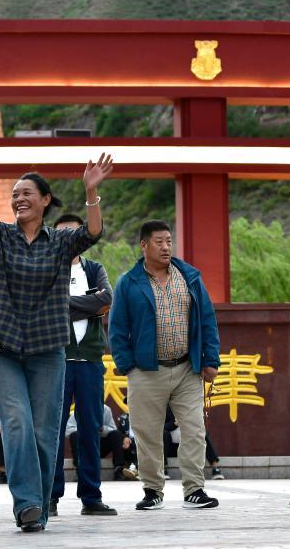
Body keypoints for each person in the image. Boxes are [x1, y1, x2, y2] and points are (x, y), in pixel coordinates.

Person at [0, 139, 112, 532]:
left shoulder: (61, 242)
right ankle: (28, 504)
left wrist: (91, 192)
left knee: (45, 432)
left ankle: (40, 507)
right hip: (2, 346)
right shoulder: (1, 237)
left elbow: (92, 232)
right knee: (16, 422)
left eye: (27, 193)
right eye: (15, 194)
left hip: (48, 349)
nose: (19, 199)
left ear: (45, 200)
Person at [109, 220, 221, 511]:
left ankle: (194, 489)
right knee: (147, 433)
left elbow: (207, 320)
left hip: (186, 368)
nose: (165, 247)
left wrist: (210, 360)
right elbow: (117, 328)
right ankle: (152, 490)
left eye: (169, 241)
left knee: (194, 429)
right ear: (144, 245)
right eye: (159, 242)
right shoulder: (129, 283)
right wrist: (128, 366)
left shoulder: (190, 277)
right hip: (146, 371)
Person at [49, 213, 117, 517]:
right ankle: (50, 495)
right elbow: (46, 306)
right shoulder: (47, 269)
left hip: (89, 360)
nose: (69, 239)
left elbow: (107, 300)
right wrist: (89, 307)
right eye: (62, 233)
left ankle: (91, 497)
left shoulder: (94, 269)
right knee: (53, 430)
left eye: (73, 233)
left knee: (91, 428)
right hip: (57, 360)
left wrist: (65, 306)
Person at [63, 403, 137, 484]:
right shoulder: (79, 408)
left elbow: (113, 428)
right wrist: (86, 429)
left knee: (116, 434)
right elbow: (68, 430)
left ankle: (119, 469)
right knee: (75, 435)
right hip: (85, 447)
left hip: (100, 446)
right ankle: (80, 470)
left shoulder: (106, 409)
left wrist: (102, 429)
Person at [162, 406, 223, 480]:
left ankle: (215, 468)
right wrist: (174, 424)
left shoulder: (189, 405)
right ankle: (163, 469)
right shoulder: (166, 407)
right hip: (171, 448)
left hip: (188, 447)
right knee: (163, 434)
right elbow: (160, 427)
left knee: (202, 434)